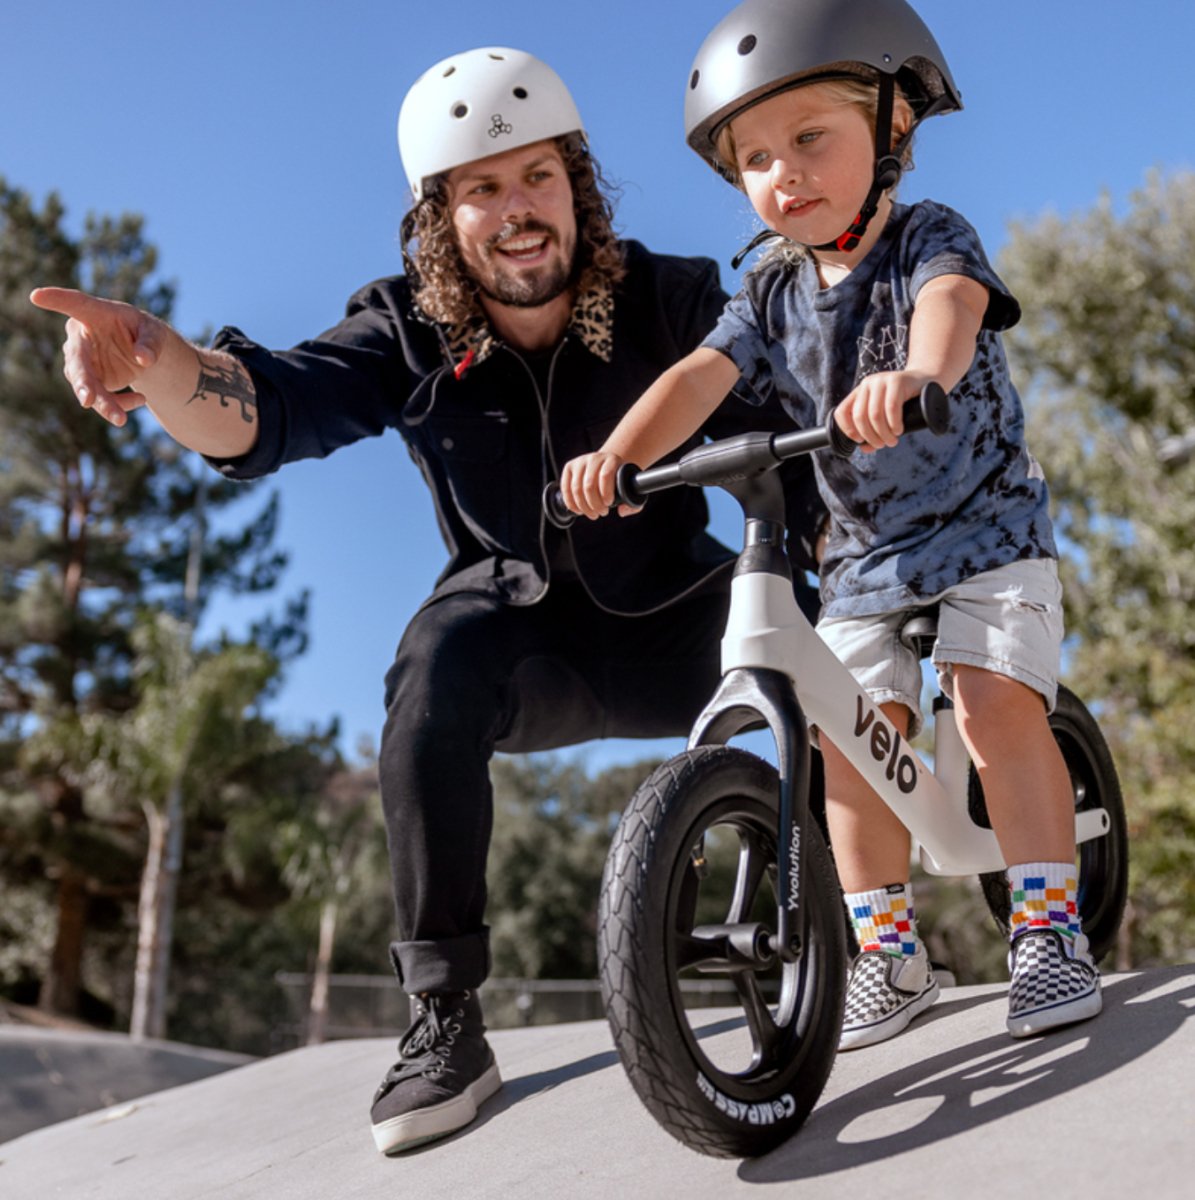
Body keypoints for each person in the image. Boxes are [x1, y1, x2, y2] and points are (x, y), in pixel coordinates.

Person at [30, 47, 822, 1151]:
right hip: (516, 640)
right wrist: (158, 361)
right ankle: (445, 1024)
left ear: (578, 187)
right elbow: (265, 408)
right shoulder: (411, 328)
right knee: (432, 665)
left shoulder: (672, 298)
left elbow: (796, 405)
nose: (516, 212)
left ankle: (861, 933)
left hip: (677, 621)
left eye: (537, 178)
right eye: (482, 190)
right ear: (442, 218)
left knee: (823, 620)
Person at [561, 0, 1101, 1051]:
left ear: (892, 127)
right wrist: (619, 455)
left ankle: (1045, 929)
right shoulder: (767, 287)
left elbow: (952, 307)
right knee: (848, 747)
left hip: (985, 531)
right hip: (862, 561)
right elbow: (699, 374)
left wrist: (914, 375)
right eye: (756, 157)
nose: (784, 172)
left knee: (988, 703)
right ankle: (888, 954)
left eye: (810, 138)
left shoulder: (927, 236)